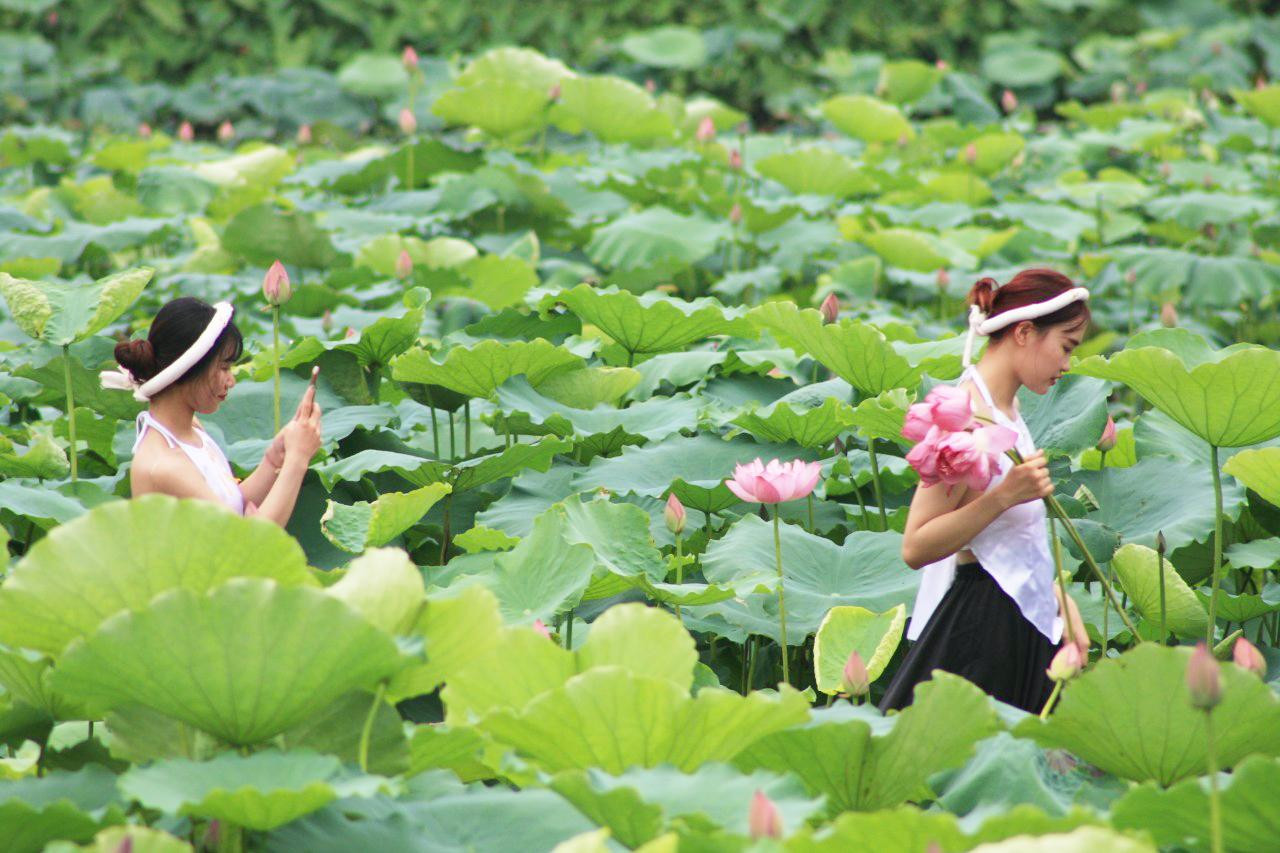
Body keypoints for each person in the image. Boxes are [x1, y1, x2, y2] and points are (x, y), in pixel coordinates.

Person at [879, 269, 1092, 715]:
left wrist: (1061, 599)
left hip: (1021, 616)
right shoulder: (965, 419)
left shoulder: (1007, 408)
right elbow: (916, 545)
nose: (1067, 364)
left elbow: (1015, 542)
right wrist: (1002, 497)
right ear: (1025, 332)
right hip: (982, 627)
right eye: (1065, 347)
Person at [101, 297, 321, 527]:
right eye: (224, 367)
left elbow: (228, 507)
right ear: (189, 367)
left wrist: (274, 457)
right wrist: (298, 459)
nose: (232, 380)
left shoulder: (191, 430)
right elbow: (249, 544)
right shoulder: (166, 466)